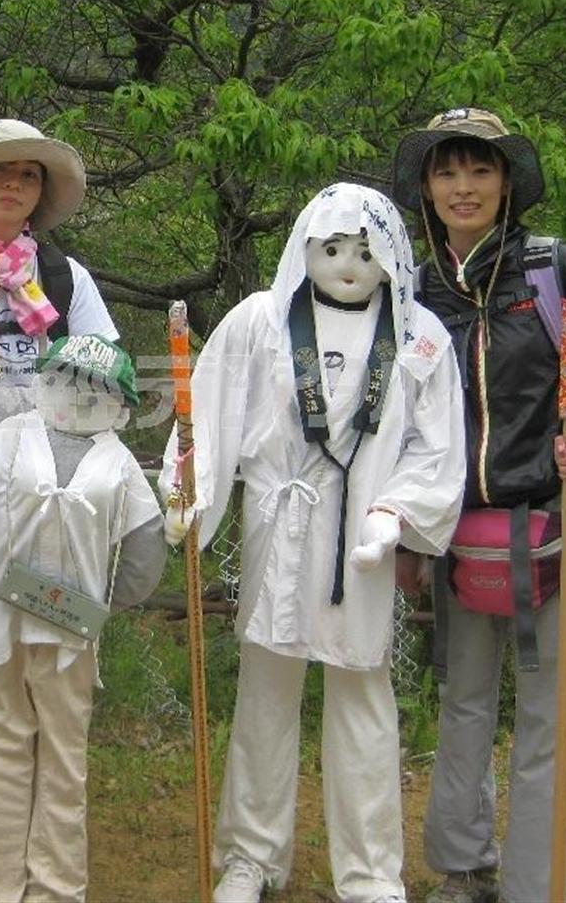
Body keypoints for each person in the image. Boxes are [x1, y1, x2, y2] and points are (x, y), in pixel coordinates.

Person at [162, 183, 466, 903]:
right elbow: (208, 418)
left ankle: (370, 872)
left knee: (362, 694)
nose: (349, 265)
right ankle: (249, 855)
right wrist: (188, 493)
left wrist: (395, 513)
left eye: (364, 250)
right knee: (265, 693)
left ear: (390, 255)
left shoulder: (419, 336)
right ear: (305, 249)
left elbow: (438, 446)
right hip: (281, 526)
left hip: (363, 535)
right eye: (332, 249)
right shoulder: (261, 321)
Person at [392, 107, 566, 903]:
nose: (463, 187)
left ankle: (541, 886)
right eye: (447, 172)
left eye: (480, 170)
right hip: (456, 536)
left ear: (507, 182)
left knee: (547, 716)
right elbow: (396, 417)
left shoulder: (554, 271)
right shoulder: (415, 290)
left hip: (553, 525)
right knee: (463, 703)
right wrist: (406, 529)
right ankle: (463, 868)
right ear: (427, 188)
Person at [0, 334, 166, 902]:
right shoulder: (6, 437)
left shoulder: (119, 464)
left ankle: (56, 886)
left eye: (96, 387)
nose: (79, 394)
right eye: (67, 380)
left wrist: (107, 605)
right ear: (45, 381)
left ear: (120, 404)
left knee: (64, 761)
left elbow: (144, 547)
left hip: (72, 637)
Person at [0, 119, 121, 847]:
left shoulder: (64, 278)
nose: (13, 183)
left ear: (40, 193)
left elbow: (104, 366)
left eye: (29, 174)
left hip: (47, 479)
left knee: (51, 624)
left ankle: (43, 779)